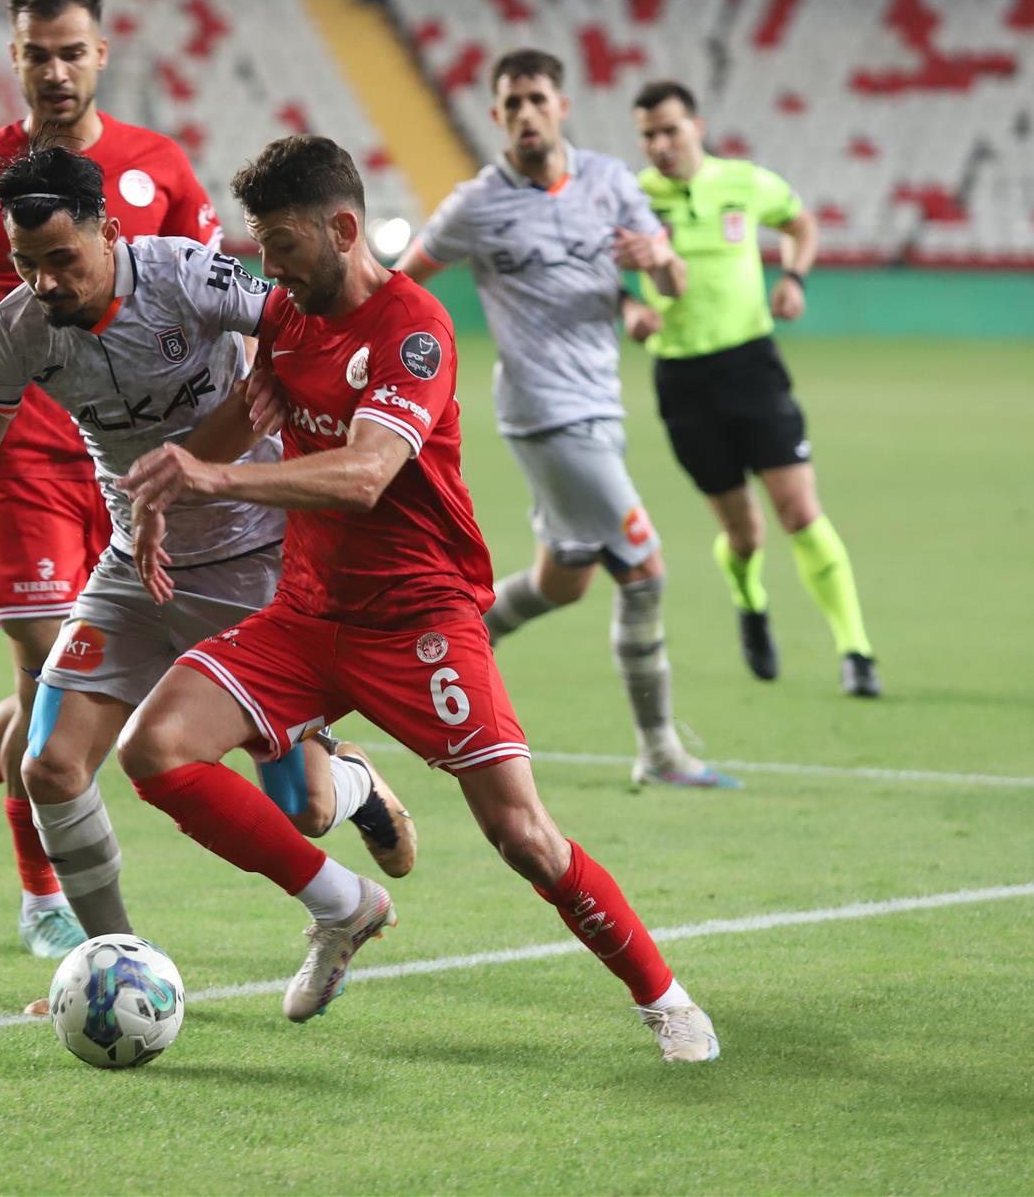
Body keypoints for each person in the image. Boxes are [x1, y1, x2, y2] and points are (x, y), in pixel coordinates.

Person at [114, 136, 719, 1062]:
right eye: (259, 243)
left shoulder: (414, 328)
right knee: (155, 749)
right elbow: (247, 418)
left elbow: (363, 476)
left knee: (521, 835)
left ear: (343, 228)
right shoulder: (286, 313)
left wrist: (211, 482)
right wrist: (168, 483)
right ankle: (343, 905)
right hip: (309, 615)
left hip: (419, 618)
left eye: (280, 242)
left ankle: (664, 997)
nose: (265, 265)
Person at [0, 145, 417, 943]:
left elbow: (295, 321)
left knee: (304, 810)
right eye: (24, 264)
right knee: (51, 765)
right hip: (134, 569)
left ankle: (353, 785)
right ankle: (115, 961)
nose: (45, 282)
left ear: (110, 232)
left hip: (258, 562)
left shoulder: (184, 274)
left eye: (61, 259)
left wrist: (273, 391)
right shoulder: (19, 328)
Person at [0, 0, 257, 957]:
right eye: (38, 52)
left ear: (102, 53)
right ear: (16, 58)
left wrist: (240, 443)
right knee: (47, 678)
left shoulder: (156, 166)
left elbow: (231, 317)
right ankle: (43, 898)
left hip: (147, 468)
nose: (56, 69)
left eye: (72, 50)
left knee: (88, 699)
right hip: (21, 461)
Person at [397, 48, 734, 789]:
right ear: (496, 116)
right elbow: (401, 283)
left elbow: (671, 279)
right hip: (545, 414)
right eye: (511, 103)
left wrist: (654, 272)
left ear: (562, 105)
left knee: (564, 582)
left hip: (601, 403)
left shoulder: (611, 183)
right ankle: (660, 751)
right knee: (644, 569)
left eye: (536, 99)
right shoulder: (476, 204)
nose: (525, 114)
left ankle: (423, 662)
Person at [630, 81, 880, 698]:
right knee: (746, 535)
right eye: (649, 135)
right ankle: (750, 600)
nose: (661, 144)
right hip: (682, 379)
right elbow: (587, 267)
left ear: (698, 126)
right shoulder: (632, 198)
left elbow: (801, 224)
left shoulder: (746, 182)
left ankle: (856, 650)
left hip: (752, 366)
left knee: (799, 510)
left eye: (670, 129)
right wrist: (624, 307)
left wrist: (795, 276)